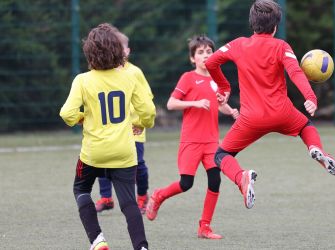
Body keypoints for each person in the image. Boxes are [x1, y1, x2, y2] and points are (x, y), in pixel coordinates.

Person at [205, 0, 335, 210]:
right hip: (282, 113)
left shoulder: (238, 45)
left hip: (251, 119)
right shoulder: (281, 46)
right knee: (306, 127)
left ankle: (242, 178)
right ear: (275, 26)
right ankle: (317, 150)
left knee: (221, 155)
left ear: (252, 23)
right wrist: (310, 97)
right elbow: (295, 72)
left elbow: (210, 63)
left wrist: (224, 88)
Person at [59, 23, 155, 250]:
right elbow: (148, 112)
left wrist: (83, 118)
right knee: (129, 203)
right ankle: (141, 247)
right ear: (118, 51)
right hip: (124, 151)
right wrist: (142, 124)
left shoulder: (82, 80)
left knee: (81, 190)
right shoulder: (129, 77)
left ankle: (98, 240)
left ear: (89, 53)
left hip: (93, 152)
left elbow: (67, 114)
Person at [145, 35, 239, 239]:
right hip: (191, 141)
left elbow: (219, 104)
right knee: (186, 184)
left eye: (209, 51)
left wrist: (230, 110)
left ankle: (204, 227)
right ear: (192, 58)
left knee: (215, 181)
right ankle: (159, 195)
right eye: (200, 52)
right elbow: (171, 104)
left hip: (212, 142)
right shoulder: (188, 78)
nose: (205, 55)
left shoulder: (217, 80)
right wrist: (195, 104)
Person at [95, 30, 153, 215]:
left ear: (128, 51)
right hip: (110, 129)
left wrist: (137, 121)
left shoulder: (135, 72)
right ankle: (106, 197)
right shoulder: (103, 73)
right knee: (102, 161)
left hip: (133, 129)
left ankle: (142, 196)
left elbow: (146, 98)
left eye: (123, 48)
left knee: (137, 165)